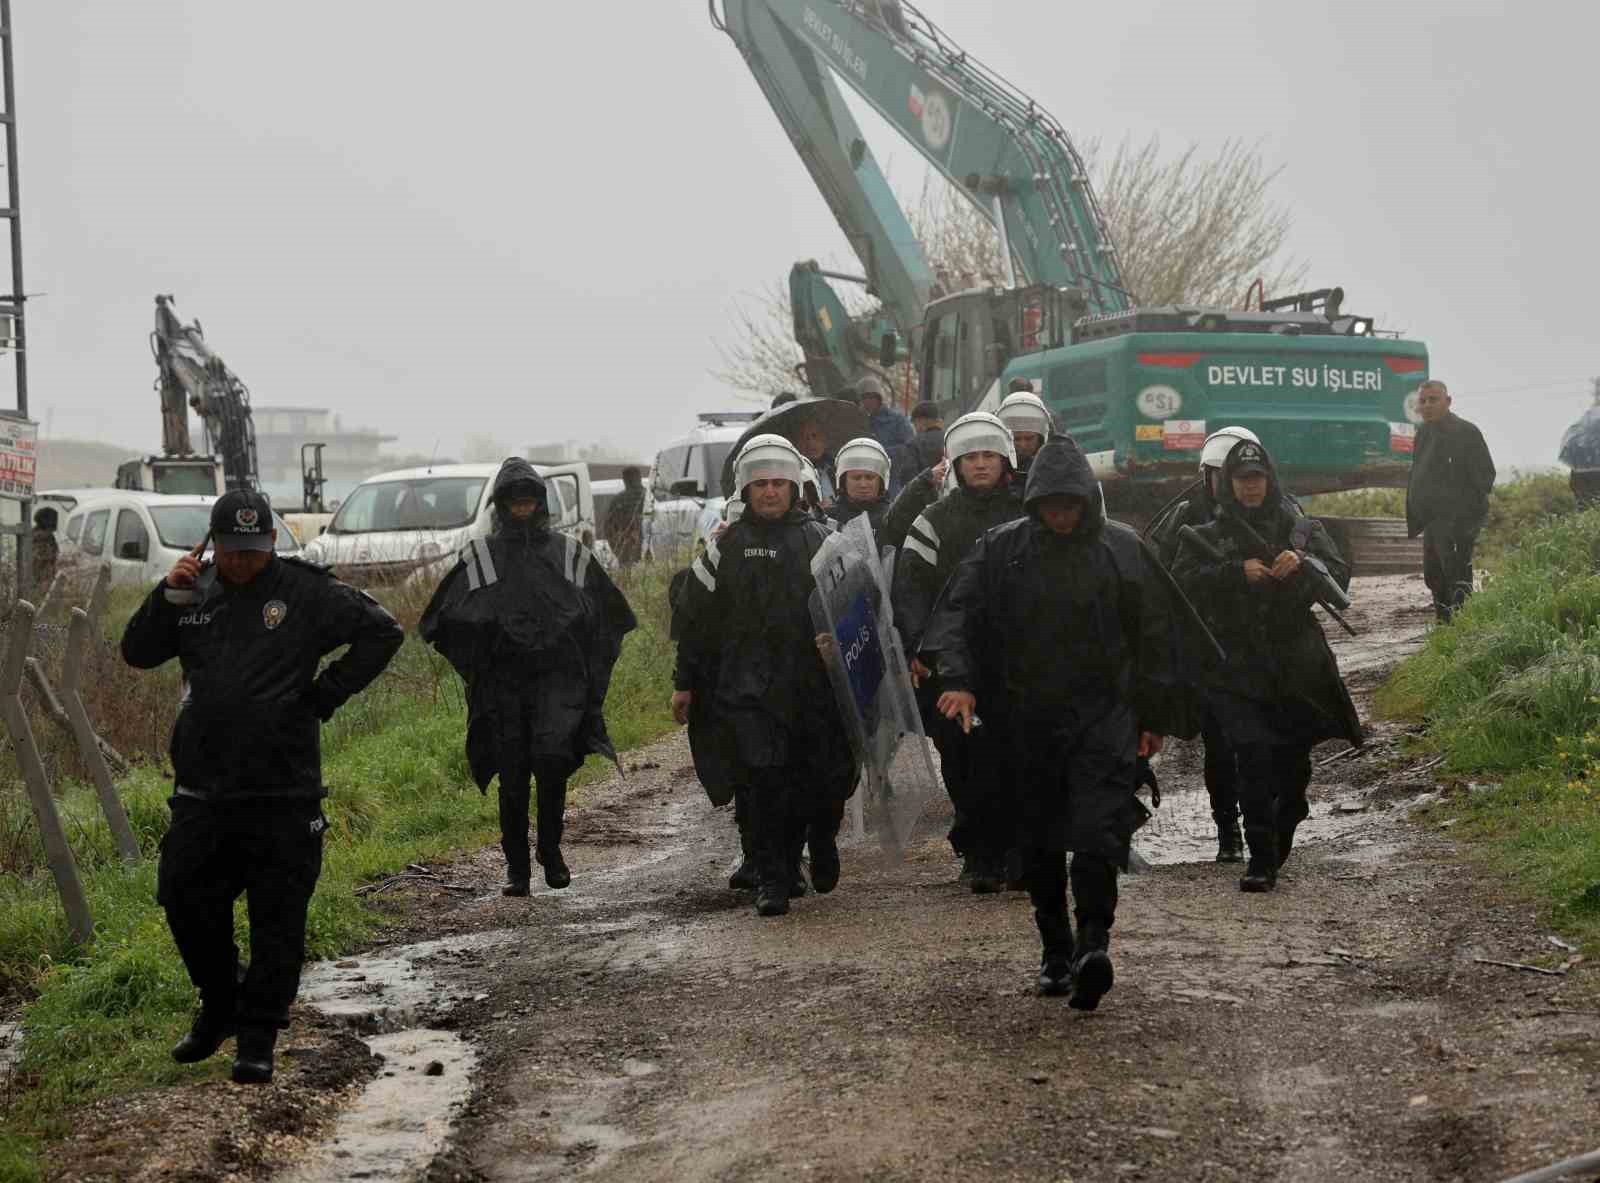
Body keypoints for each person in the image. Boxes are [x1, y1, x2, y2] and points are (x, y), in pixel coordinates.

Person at [120, 489, 403, 1084]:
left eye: (254, 550)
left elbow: (383, 632)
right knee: (184, 898)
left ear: (271, 542)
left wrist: (324, 696)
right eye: (231, 551)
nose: (243, 561)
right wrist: (164, 596)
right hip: (203, 786)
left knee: (279, 919)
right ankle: (220, 1002)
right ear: (212, 545)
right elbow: (138, 654)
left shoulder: (306, 592)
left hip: (284, 788)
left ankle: (258, 1038)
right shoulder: (191, 590)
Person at [920, 439, 1197, 1008]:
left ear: (1087, 502)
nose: (1062, 516)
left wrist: (1155, 716)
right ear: (1035, 502)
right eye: (1052, 505)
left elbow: (1158, 638)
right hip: (1024, 718)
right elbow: (955, 616)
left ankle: (1095, 944)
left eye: (1071, 505)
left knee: (1099, 832)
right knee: (1040, 839)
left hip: (1105, 716)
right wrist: (959, 680)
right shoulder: (1001, 549)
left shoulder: (1123, 549)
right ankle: (1055, 949)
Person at [420, 458, 636, 897]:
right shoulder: (481, 555)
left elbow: (609, 613)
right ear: (501, 505)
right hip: (504, 685)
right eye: (513, 501)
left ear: (540, 502)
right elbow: (444, 620)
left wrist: (584, 668)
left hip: (557, 682)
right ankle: (516, 867)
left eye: (529, 500)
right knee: (513, 774)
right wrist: (480, 658)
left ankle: (551, 852)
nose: (522, 508)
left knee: (553, 763)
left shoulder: (569, 552)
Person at [671, 434, 854, 917]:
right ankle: (772, 878)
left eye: (778, 483)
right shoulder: (724, 549)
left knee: (818, 780)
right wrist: (684, 682)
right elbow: (694, 620)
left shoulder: (823, 540)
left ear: (794, 488)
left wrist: (839, 644)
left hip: (812, 688)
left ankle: (821, 839)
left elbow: (859, 606)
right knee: (764, 781)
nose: (770, 492)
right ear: (746, 491)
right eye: (760, 485)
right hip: (746, 687)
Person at [1172, 439, 1363, 893]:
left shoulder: (1299, 525)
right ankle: (1259, 858)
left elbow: (1339, 574)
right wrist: (1234, 572)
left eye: (1257, 479)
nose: (1250, 487)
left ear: (1269, 480)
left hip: (1295, 661)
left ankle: (1285, 824)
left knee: (1293, 767)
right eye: (1241, 480)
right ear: (1229, 484)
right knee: (1252, 756)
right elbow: (1180, 583)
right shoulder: (1208, 530)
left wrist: (1302, 563)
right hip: (1237, 663)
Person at [893, 411, 1024, 892]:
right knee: (964, 760)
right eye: (971, 457)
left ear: (1005, 458)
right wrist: (916, 646)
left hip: (1019, 661)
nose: (981, 465)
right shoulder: (933, 522)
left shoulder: (1030, 509)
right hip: (949, 664)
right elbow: (909, 589)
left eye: (989, 455)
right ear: (956, 464)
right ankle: (978, 852)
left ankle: (1018, 849)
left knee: (1017, 756)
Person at [1147, 425, 1266, 863]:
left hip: (1263, 646)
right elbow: (1162, 579)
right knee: (1221, 742)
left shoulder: (1276, 510)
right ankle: (1228, 830)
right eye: (1219, 473)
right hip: (1209, 649)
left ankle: (1265, 826)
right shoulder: (1182, 517)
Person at [1405, 380, 1495, 623]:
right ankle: (1444, 626)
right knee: (1434, 575)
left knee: (1456, 575)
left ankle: (1463, 629)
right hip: (1432, 520)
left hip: (1458, 521)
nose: (1427, 405)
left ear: (1448, 401)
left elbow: (1485, 477)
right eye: (1423, 401)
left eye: (1433, 399)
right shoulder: (1423, 433)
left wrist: (1464, 517)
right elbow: (1418, 473)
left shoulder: (1466, 432)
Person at [825, 436, 892, 535]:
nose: (863, 484)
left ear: (881, 481)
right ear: (843, 481)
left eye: (869, 477)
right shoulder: (826, 519)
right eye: (856, 478)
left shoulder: (893, 518)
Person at [995, 388, 1056, 486]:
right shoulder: (995, 472)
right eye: (1016, 439)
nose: (1022, 445)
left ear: (1041, 439)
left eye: (1029, 438)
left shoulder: (1055, 468)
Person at [889, 400, 945, 496]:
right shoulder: (950, 439)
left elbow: (907, 478)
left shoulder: (914, 444)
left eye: (914, 424)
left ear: (920, 422)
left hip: (924, 503)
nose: (915, 428)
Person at [856, 375, 914, 454]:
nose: (868, 402)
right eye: (864, 398)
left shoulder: (897, 420)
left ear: (879, 399)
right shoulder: (856, 420)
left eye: (872, 397)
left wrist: (881, 452)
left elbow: (909, 447)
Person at [603, 466, 646, 566]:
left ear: (625, 480)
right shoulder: (650, 497)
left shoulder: (618, 500)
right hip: (650, 552)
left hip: (626, 553)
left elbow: (608, 528)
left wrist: (619, 551)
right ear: (640, 478)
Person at [793, 415, 838, 507]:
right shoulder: (794, 476)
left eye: (815, 435)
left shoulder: (838, 467)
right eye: (803, 437)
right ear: (796, 443)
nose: (810, 442)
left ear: (825, 439)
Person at [30, 506, 59, 597]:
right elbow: (41, 559)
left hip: (40, 579)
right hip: (40, 580)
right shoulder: (41, 537)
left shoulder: (35, 534)